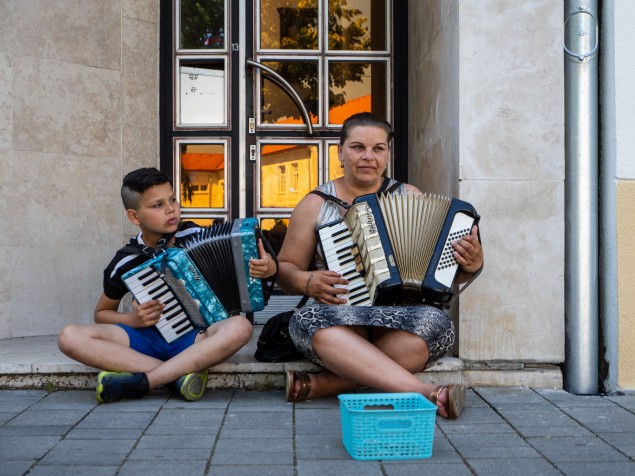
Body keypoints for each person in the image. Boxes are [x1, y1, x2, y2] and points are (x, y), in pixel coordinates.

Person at [276, 112, 484, 419]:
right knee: (307, 320)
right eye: (358, 147)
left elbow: (440, 274)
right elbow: (285, 269)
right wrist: (307, 282)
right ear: (340, 152)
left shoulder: (409, 196)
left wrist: (472, 264)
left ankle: (329, 384)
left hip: (399, 319)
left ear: (388, 154)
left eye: (378, 149)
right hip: (342, 318)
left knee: (438, 326)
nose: (367, 157)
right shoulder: (316, 204)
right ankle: (425, 392)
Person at [57, 167, 277, 403]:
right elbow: (102, 314)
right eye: (157, 205)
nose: (171, 209)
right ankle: (177, 376)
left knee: (241, 327)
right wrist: (133, 320)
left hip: (195, 339)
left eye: (172, 199)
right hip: (145, 339)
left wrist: (269, 267)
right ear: (134, 217)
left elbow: (248, 263)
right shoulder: (126, 260)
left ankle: (145, 382)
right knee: (69, 336)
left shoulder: (194, 234)